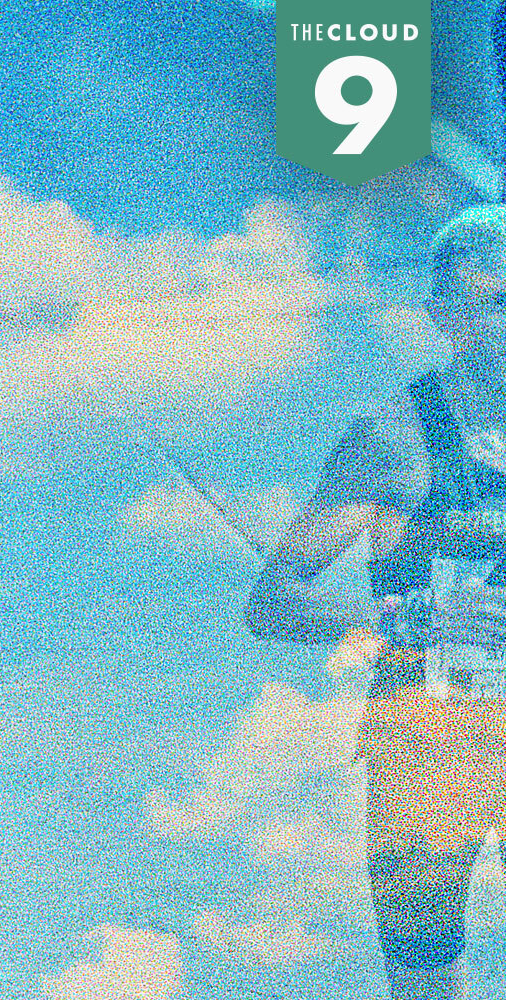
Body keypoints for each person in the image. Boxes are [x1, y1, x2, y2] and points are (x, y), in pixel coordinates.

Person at [248, 204, 506, 999]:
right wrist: (407, 620)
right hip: (427, 740)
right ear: (446, 315)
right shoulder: (392, 439)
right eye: (495, 299)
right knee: (426, 979)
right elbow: (273, 600)